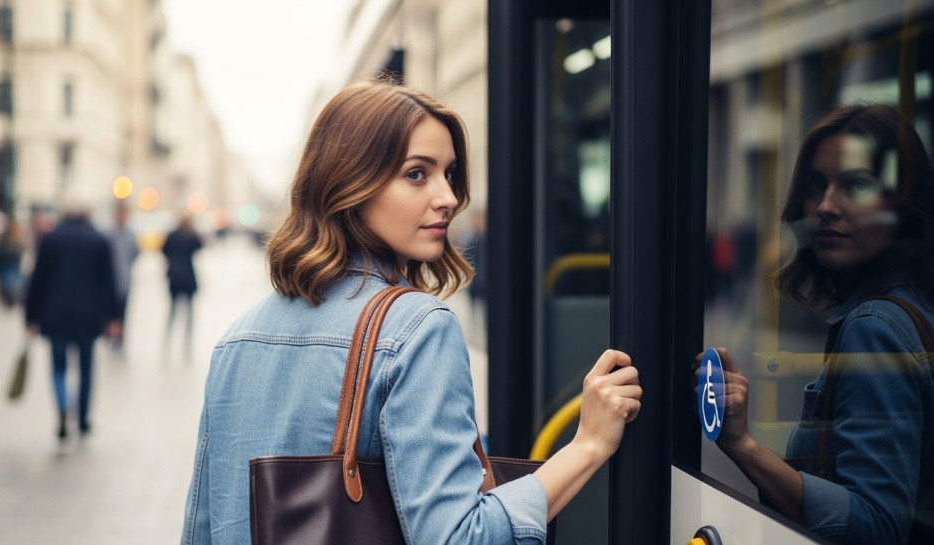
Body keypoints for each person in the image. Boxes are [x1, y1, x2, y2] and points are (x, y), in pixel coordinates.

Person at [180, 80, 643, 545]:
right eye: (417, 174)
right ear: (349, 183)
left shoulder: (237, 338)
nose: (448, 197)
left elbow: (202, 527)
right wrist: (588, 444)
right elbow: (462, 538)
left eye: (449, 173)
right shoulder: (417, 329)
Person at [704, 105, 934, 544]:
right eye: (816, 186)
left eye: (856, 186)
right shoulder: (914, 305)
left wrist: (742, 445)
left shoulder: (876, 327)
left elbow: (876, 527)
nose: (826, 206)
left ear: (902, 203)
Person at [25, 191, 119, 443]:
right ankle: (84, 417)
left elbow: (37, 281)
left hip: (54, 315)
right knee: (86, 367)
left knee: (58, 366)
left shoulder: (50, 240)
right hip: (89, 316)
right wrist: (113, 317)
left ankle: (63, 407)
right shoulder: (99, 240)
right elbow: (109, 283)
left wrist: (30, 316)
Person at [162, 215, 202, 353]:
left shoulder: (172, 235)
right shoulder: (190, 236)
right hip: (187, 277)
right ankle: (187, 339)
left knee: (172, 310)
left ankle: (169, 337)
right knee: (188, 311)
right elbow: (200, 246)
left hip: (174, 276)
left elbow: (164, 250)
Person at [107, 203, 139, 354]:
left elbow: (134, 253)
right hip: (109, 281)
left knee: (122, 311)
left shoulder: (130, 234)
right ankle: (110, 336)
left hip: (125, 280)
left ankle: (120, 338)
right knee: (110, 311)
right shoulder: (108, 234)